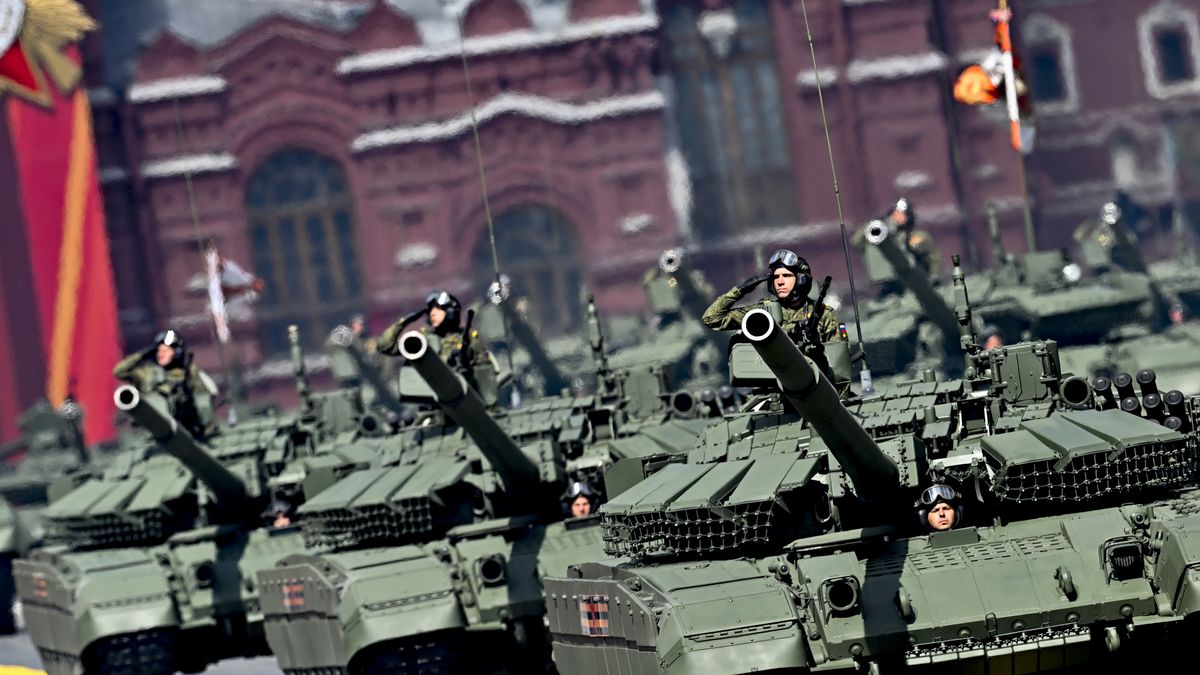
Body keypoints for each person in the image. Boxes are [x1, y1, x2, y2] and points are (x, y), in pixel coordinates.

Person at [702, 249, 844, 344]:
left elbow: (839, 363)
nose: (780, 282)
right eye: (776, 277)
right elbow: (711, 319)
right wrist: (741, 290)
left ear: (801, 280)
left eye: (786, 276)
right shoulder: (763, 313)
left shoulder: (823, 315)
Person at [112, 329, 218, 438]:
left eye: (166, 350)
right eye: (159, 350)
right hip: (157, 430)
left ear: (176, 352)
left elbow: (202, 398)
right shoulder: (148, 374)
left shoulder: (187, 373)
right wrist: (144, 353)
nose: (161, 354)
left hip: (188, 428)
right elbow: (119, 371)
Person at [378, 290, 486, 368]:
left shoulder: (467, 337)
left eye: (437, 309)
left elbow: (482, 368)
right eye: (430, 310)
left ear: (450, 312)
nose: (432, 314)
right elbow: (385, 346)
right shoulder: (422, 340)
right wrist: (404, 321)